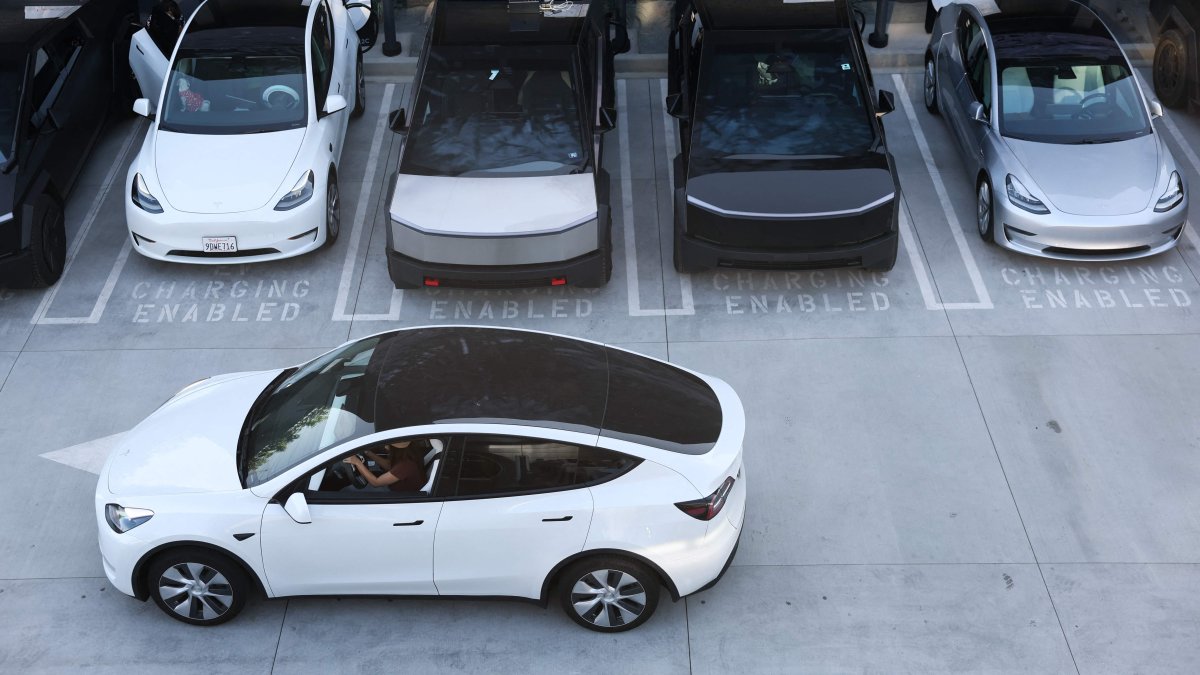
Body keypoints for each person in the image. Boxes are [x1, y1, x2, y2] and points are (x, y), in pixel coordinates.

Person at [344, 439, 428, 491]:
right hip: (396, 489)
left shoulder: (406, 465)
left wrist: (357, 462)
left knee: (349, 491)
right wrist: (368, 453)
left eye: (388, 444)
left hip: (397, 496)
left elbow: (376, 483)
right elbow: (390, 466)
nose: (385, 446)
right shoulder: (407, 456)